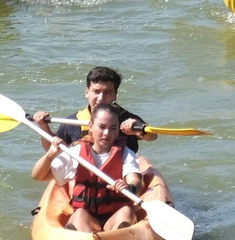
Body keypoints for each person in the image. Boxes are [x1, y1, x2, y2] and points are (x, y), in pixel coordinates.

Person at [33, 67, 174, 204]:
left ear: (115, 95)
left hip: (121, 181)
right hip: (84, 184)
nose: (101, 98)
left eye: (107, 92)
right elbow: (53, 150)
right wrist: (44, 128)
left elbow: (152, 136)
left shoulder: (126, 119)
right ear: (87, 92)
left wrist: (138, 129)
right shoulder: (73, 121)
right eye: (96, 91)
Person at [33, 104, 146, 238]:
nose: (107, 133)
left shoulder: (125, 153)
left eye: (113, 128)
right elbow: (38, 176)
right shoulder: (76, 152)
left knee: (126, 211)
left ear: (118, 131)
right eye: (102, 127)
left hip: (114, 218)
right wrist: (49, 156)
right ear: (91, 127)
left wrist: (129, 187)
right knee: (79, 214)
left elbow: (136, 180)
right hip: (88, 219)